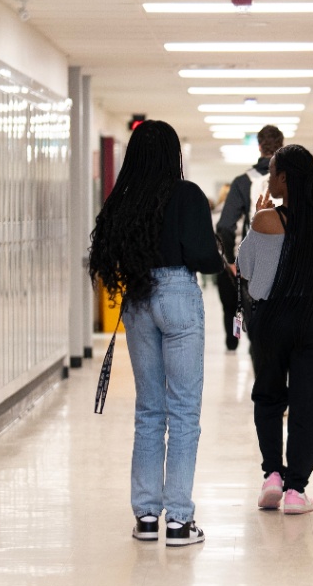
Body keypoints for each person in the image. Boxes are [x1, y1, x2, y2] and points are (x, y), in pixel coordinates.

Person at [86, 120, 223, 546]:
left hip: (139, 298)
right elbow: (206, 257)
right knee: (183, 411)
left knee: (149, 409)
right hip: (178, 294)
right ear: (172, 155)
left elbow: (109, 254)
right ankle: (179, 520)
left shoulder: (123, 199)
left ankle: (146, 516)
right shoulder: (187, 194)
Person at [233, 145, 313, 517]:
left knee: (269, 397)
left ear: (284, 178)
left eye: (273, 171)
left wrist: (256, 221)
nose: (269, 179)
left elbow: (245, 269)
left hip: (271, 320)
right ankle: (296, 491)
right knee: (308, 406)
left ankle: (273, 476)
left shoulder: (265, 219)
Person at [214, 125, 284, 351]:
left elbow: (225, 226)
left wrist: (232, 261)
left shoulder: (243, 182)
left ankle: (252, 350)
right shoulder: (294, 179)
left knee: (256, 322)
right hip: (289, 263)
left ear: (259, 146)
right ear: (282, 146)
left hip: (254, 266)